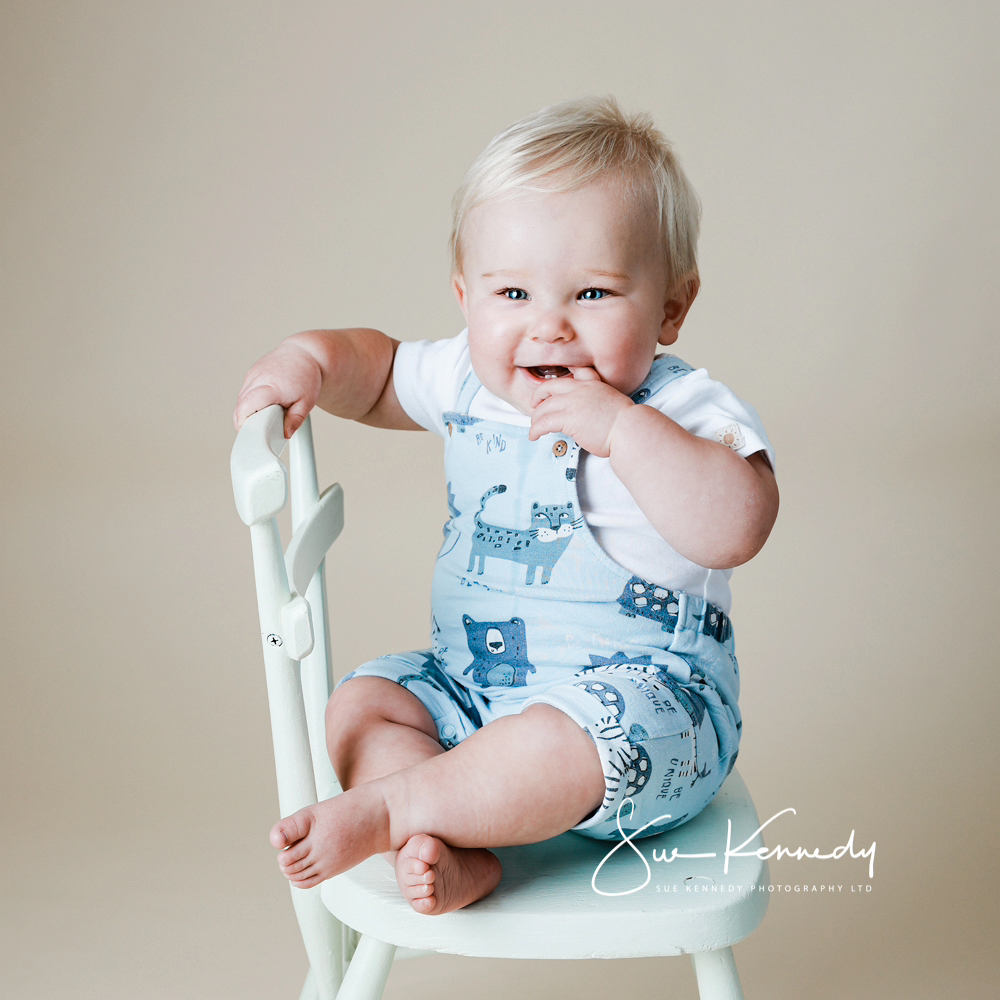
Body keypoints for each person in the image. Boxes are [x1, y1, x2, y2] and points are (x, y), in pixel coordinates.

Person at [233, 97, 779, 916]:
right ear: (465, 296)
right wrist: (308, 360)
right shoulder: (465, 378)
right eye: (513, 293)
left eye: (593, 294)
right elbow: (378, 372)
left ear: (671, 305)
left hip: (642, 714)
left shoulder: (683, 410)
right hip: (475, 691)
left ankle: (399, 809)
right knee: (363, 704)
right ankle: (448, 842)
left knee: (561, 740)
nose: (548, 327)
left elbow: (738, 525)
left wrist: (624, 432)